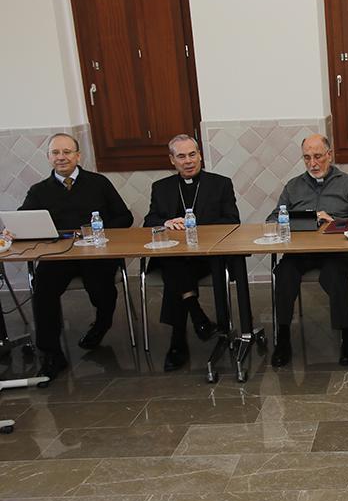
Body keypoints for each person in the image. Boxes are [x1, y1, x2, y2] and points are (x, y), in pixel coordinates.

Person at [17, 133, 133, 379]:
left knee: (101, 287)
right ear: (48, 157)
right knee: (43, 289)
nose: (61, 157)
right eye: (56, 153)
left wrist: (96, 231)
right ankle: (51, 353)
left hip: (96, 252)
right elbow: (23, 221)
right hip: (59, 255)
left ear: (78, 156)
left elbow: (125, 217)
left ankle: (102, 324)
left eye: (67, 152)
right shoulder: (39, 191)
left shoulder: (98, 183)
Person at [269, 134, 348, 367]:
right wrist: (307, 217)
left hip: (336, 251)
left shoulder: (347, 183)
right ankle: (282, 337)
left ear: (329, 155)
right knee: (283, 274)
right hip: (301, 252)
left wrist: (334, 221)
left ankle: (347, 335)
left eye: (317, 157)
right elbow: (273, 218)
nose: (312, 164)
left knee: (334, 276)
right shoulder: (293, 186)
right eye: (306, 158)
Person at [143, 134, 240, 372]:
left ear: (200, 156)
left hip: (208, 257)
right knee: (174, 264)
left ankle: (178, 342)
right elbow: (149, 221)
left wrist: (196, 226)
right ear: (172, 160)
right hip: (173, 255)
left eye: (192, 154)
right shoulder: (161, 187)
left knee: (174, 273)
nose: (188, 161)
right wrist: (166, 222)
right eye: (181, 156)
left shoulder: (220, 183)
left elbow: (232, 220)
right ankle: (197, 318)